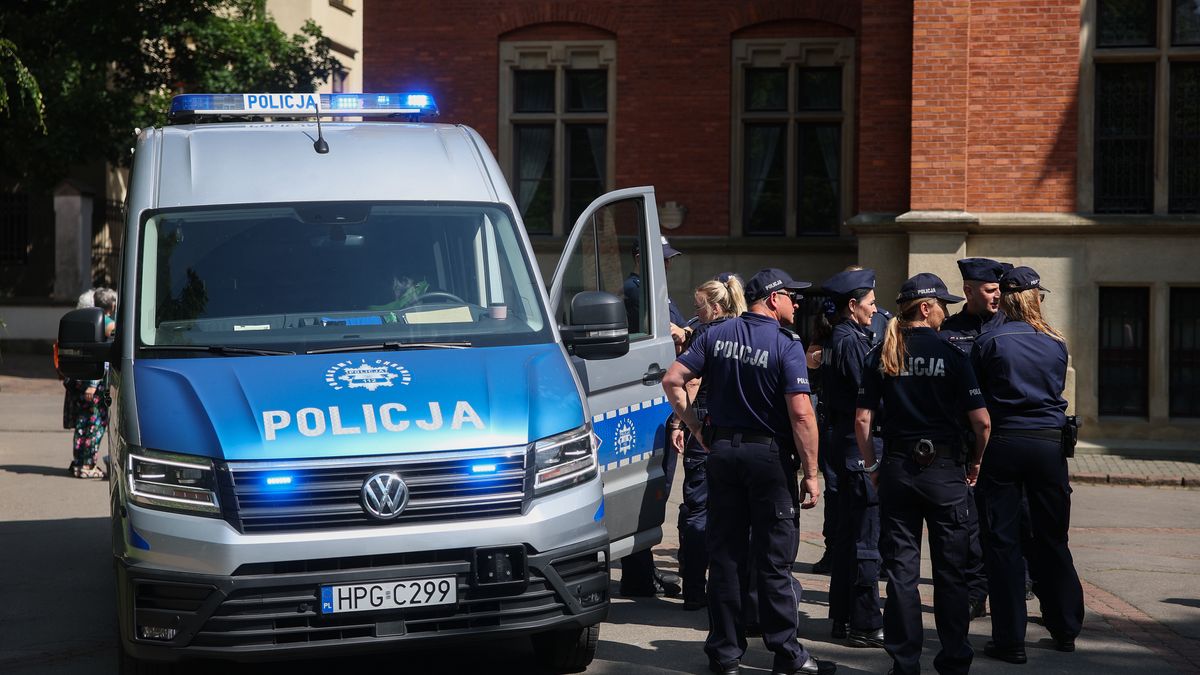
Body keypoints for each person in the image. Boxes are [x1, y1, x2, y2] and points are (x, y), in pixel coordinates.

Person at [663, 268, 835, 675]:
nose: (797, 303)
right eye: (792, 296)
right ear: (773, 299)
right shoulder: (785, 344)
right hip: (768, 460)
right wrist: (811, 472)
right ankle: (787, 655)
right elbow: (801, 414)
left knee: (725, 557)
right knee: (774, 559)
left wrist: (697, 428)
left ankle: (725, 654)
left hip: (722, 454)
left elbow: (673, 379)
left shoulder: (716, 335)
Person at [854, 273, 991, 675]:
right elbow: (982, 422)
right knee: (951, 573)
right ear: (926, 308)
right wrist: (977, 461)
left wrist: (873, 466)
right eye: (942, 305)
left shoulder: (882, 351)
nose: (945, 313)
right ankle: (953, 660)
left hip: (898, 469)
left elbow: (862, 420)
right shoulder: (952, 353)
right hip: (946, 472)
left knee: (901, 573)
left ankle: (905, 661)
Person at [972, 266, 1083, 663]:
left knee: (1002, 543)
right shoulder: (1056, 342)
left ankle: (1010, 640)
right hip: (1048, 445)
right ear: (1036, 298)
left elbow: (978, 401)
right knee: (1052, 537)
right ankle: (1066, 627)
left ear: (1005, 298)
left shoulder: (990, 340)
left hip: (1004, 442)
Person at [939, 256, 1011, 620]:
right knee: (967, 524)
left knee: (1010, 520)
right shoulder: (949, 331)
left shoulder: (1010, 326)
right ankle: (974, 591)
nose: (997, 296)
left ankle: (1021, 583)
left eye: (999, 289)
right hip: (966, 442)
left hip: (1005, 438)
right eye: (990, 290)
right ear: (968, 291)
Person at [817, 269, 884, 648]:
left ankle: (842, 617)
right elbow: (869, 398)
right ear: (852, 305)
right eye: (871, 304)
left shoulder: (837, 337)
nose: (875, 310)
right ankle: (865, 620)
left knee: (845, 536)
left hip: (841, 440)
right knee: (864, 537)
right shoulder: (852, 342)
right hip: (858, 445)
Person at [675, 273, 748, 611]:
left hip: (702, 425)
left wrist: (681, 422)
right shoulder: (745, 332)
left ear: (716, 307)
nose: (696, 313)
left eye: (699, 307)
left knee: (697, 509)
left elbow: (689, 383)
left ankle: (693, 590)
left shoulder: (706, 334)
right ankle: (731, 589)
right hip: (734, 429)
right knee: (734, 512)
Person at [619, 235, 684, 599]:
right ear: (642, 258)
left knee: (655, 488)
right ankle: (639, 575)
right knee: (649, 486)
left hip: (659, 400)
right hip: (649, 400)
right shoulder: (636, 290)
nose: (668, 266)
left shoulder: (651, 290)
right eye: (663, 260)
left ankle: (643, 571)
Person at [68, 287, 118, 479]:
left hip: (82, 380)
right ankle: (88, 465)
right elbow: (101, 358)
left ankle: (79, 463)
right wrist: (94, 383)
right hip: (95, 384)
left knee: (82, 423)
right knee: (96, 424)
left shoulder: (88, 322)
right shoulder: (109, 325)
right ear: (111, 305)